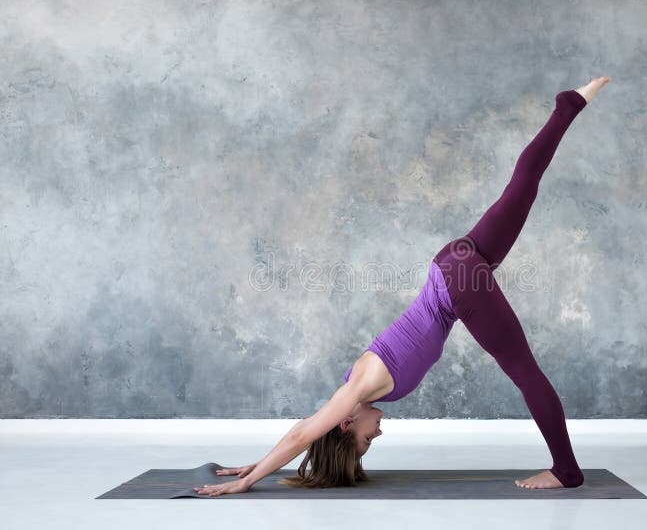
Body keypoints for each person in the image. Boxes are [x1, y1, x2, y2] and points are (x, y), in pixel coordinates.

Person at [194, 76, 612, 496]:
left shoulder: (358, 388)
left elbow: (303, 434)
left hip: (457, 283)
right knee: (521, 190)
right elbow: (302, 436)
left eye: (365, 441)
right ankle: (568, 106)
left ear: (346, 423)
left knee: (525, 373)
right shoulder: (356, 381)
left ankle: (566, 470)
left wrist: (248, 482)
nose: (377, 436)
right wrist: (259, 465)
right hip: (452, 262)